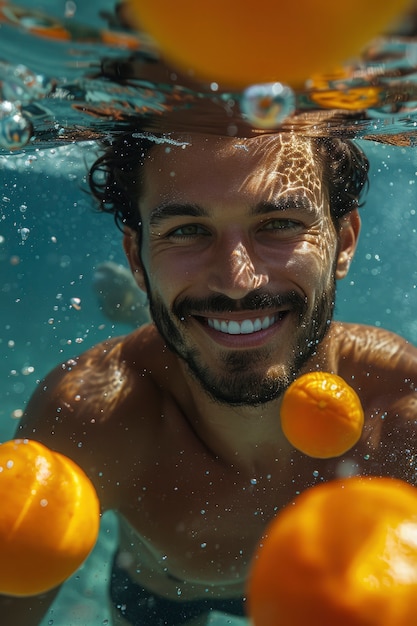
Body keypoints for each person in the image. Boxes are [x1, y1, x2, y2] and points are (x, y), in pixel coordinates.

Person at [2, 131, 417, 626]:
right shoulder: (95, 413)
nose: (237, 279)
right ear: (138, 259)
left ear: (343, 242)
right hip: (169, 595)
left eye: (280, 224)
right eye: (185, 231)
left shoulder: (401, 408)